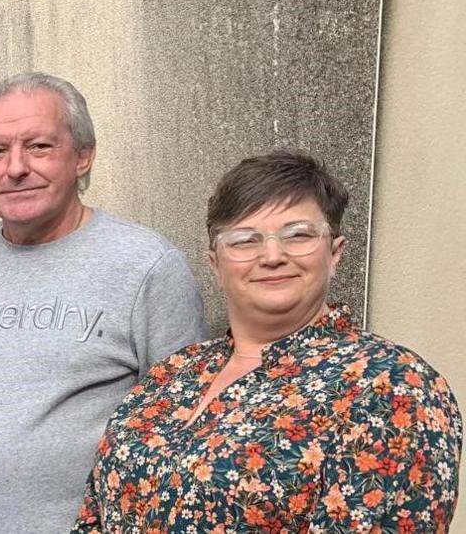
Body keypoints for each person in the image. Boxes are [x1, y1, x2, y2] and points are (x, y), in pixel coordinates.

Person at [73, 151, 462, 532]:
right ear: (216, 264)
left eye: (298, 235)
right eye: (245, 240)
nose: (272, 255)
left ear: (335, 252)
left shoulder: (390, 386)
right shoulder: (172, 374)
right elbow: (94, 515)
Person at [0, 72, 207, 533]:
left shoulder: (147, 266)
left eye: (38, 146)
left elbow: (182, 428)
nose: (15, 167)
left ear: (82, 155)